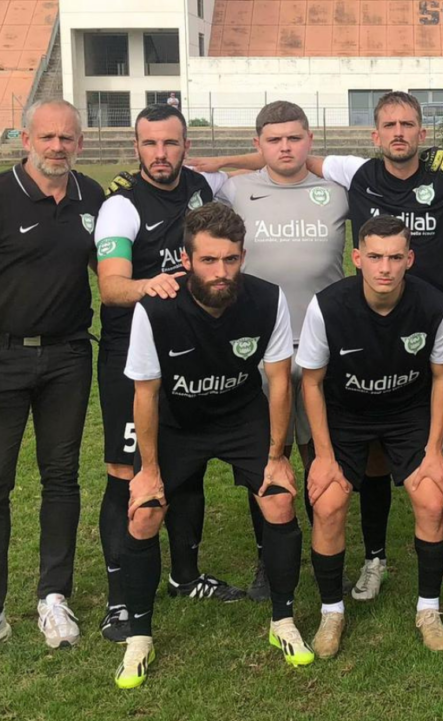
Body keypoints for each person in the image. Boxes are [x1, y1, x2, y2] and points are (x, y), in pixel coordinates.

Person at [190, 92, 443, 602]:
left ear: (422, 132)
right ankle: (375, 558)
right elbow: (288, 152)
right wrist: (222, 162)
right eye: (389, 124)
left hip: (437, 323)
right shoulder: (354, 171)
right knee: (368, 451)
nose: (398, 132)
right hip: (367, 323)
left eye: (408, 124)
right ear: (375, 134)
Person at [116, 203, 308, 688]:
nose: (221, 272)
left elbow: (280, 381)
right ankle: (139, 637)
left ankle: (283, 621)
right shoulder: (155, 307)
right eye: (208, 261)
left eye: (230, 260)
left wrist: (277, 457)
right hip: (177, 422)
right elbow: (146, 392)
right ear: (187, 259)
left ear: (243, 256)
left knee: (280, 500)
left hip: (241, 417)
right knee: (144, 510)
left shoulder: (267, 299)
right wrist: (150, 470)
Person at [94, 103, 243, 644]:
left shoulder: (204, 186)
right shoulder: (121, 205)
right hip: (129, 359)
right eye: (151, 144)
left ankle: (185, 576)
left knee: (187, 463)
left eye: (172, 144)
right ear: (136, 147)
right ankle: (118, 602)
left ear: (186, 145)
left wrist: (225, 156)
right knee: (127, 474)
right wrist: (148, 284)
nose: (161, 154)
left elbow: (260, 163)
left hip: (189, 352)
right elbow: (111, 288)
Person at [296, 215, 443, 656]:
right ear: (357, 258)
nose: (385, 268)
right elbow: (311, 382)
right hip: (346, 415)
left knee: (433, 498)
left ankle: (428, 608)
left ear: (410, 259)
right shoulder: (326, 306)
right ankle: (332, 612)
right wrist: (323, 456)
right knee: (327, 504)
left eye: (395, 258)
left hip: (407, 414)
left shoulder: (434, 304)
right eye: (375, 257)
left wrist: (435, 450)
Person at [214, 100, 350, 601]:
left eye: (294, 137)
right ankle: (270, 561)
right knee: (267, 455)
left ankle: (326, 550)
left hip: (325, 346)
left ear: (310, 139)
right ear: (259, 146)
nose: (285, 147)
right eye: (274, 139)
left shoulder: (338, 191)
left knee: (321, 449)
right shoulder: (235, 190)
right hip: (257, 347)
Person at [0, 99, 104, 649]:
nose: (57, 146)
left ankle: (53, 597)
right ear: (26, 139)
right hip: (5, 356)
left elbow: (107, 266)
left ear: (79, 143)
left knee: (61, 477)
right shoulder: (2, 193)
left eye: (67, 138)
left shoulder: (92, 195)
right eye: (47, 137)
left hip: (68, 356)